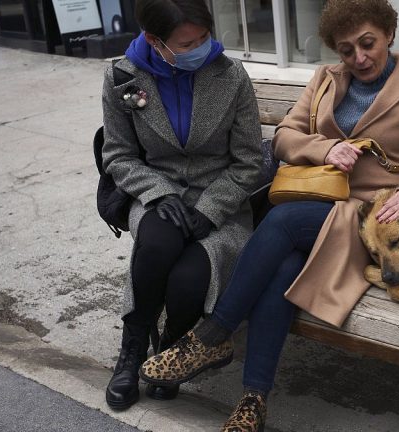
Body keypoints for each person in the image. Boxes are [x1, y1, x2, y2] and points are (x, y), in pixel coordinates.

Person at [139, 0, 399, 430]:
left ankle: (212, 335)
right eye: (347, 50)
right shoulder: (325, 79)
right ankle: (252, 401)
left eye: (368, 44)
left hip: (370, 222)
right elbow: (284, 138)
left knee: (282, 222)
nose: (359, 58)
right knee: (283, 269)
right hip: (317, 203)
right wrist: (324, 148)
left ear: (389, 34)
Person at [101, 0, 263, 411]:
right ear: (156, 42)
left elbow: (250, 162)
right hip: (158, 195)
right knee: (156, 243)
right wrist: (159, 193)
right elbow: (118, 156)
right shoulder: (122, 76)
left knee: (189, 281)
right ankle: (132, 351)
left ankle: (171, 351)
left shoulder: (231, 75)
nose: (201, 48)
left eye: (204, 37)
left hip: (221, 200)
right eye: (187, 43)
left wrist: (210, 208)